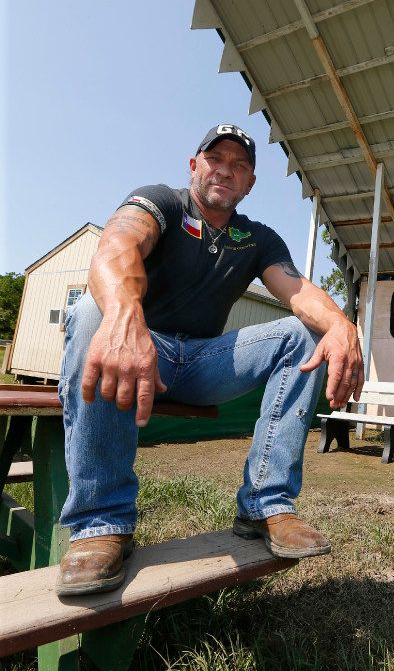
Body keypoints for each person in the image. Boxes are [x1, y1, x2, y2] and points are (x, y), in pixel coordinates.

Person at [56, 123, 364, 596]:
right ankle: (101, 523)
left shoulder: (256, 238)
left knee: (305, 331)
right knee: (91, 310)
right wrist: (123, 313)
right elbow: (117, 246)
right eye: (216, 158)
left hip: (201, 360)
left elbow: (298, 290)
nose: (226, 169)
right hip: (143, 348)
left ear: (251, 182)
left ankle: (265, 503)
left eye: (239, 164)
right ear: (194, 164)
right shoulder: (160, 202)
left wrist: (342, 324)